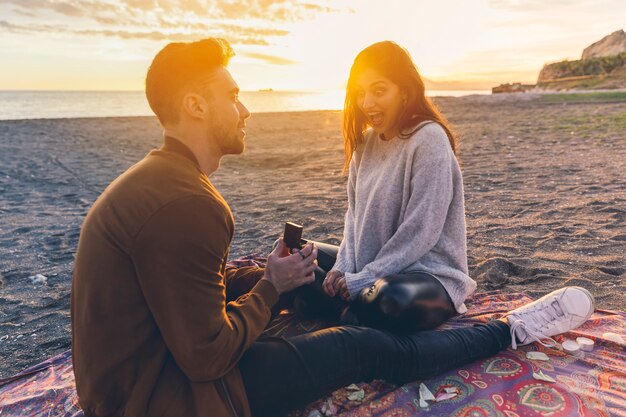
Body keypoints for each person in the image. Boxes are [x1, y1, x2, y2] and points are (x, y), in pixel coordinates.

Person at [71, 38, 596, 417]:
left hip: (139, 381)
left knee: (317, 288)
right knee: (361, 345)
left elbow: (178, 302)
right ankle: (510, 329)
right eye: (233, 95)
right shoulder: (185, 203)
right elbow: (207, 356)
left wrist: (274, 283)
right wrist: (272, 287)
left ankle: (339, 302)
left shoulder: (162, 182)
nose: (246, 108)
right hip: (170, 397)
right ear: (195, 104)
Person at [304, 41, 476, 333]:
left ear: (405, 91)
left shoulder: (429, 138)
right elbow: (353, 219)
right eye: (360, 93)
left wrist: (365, 278)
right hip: (369, 269)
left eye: (379, 90)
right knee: (296, 259)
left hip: (425, 274)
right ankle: (350, 312)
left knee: (388, 301)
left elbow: (421, 231)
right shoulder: (365, 144)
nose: (367, 102)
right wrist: (341, 268)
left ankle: (342, 308)